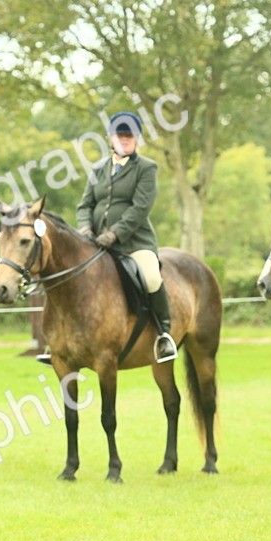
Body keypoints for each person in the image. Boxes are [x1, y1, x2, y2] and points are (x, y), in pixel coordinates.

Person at [74, 111, 177, 363]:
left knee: (151, 277)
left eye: (129, 136)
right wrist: (85, 229)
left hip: (134, 244)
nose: (125, 140)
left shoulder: (146, 168)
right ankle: (63, 340)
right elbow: (85, 205)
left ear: (137, 139)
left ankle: (164, 334)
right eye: (120, 135)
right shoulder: (98, 169)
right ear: (110, 139)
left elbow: (140, 208)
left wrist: (115, 234)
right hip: (96, 244)